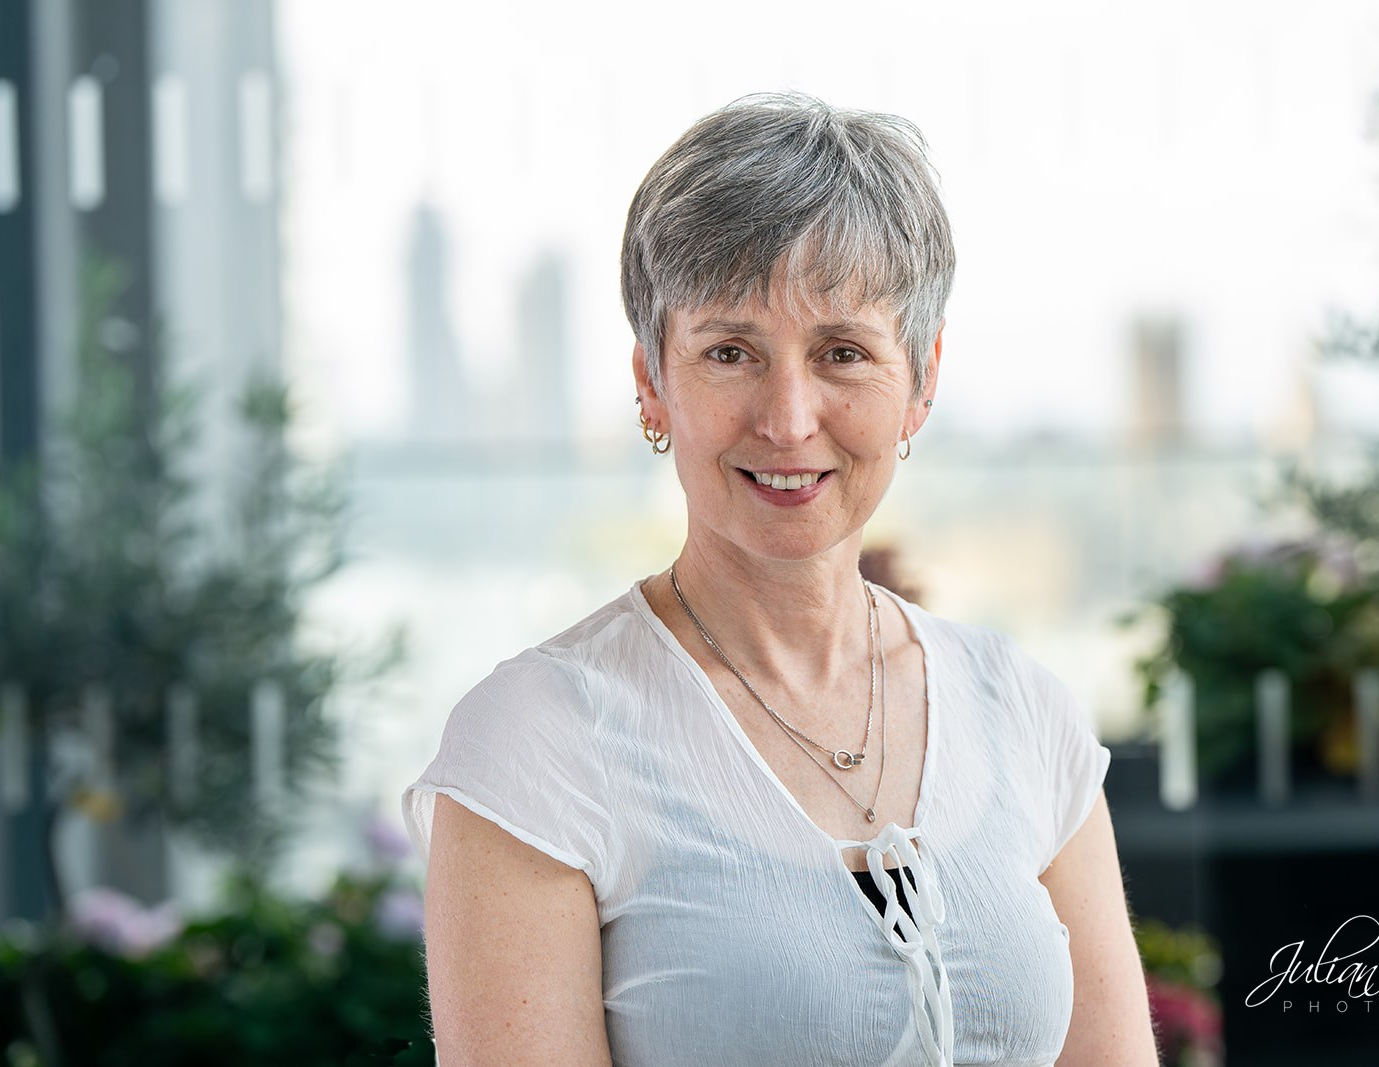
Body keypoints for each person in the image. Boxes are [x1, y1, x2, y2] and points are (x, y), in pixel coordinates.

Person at [402, 92, 1158, 1067]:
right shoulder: (538, 741)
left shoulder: (1021, 709)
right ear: (652, 382)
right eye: (730, 352)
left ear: (921, 379)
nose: (789, 418)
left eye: (842, 353)